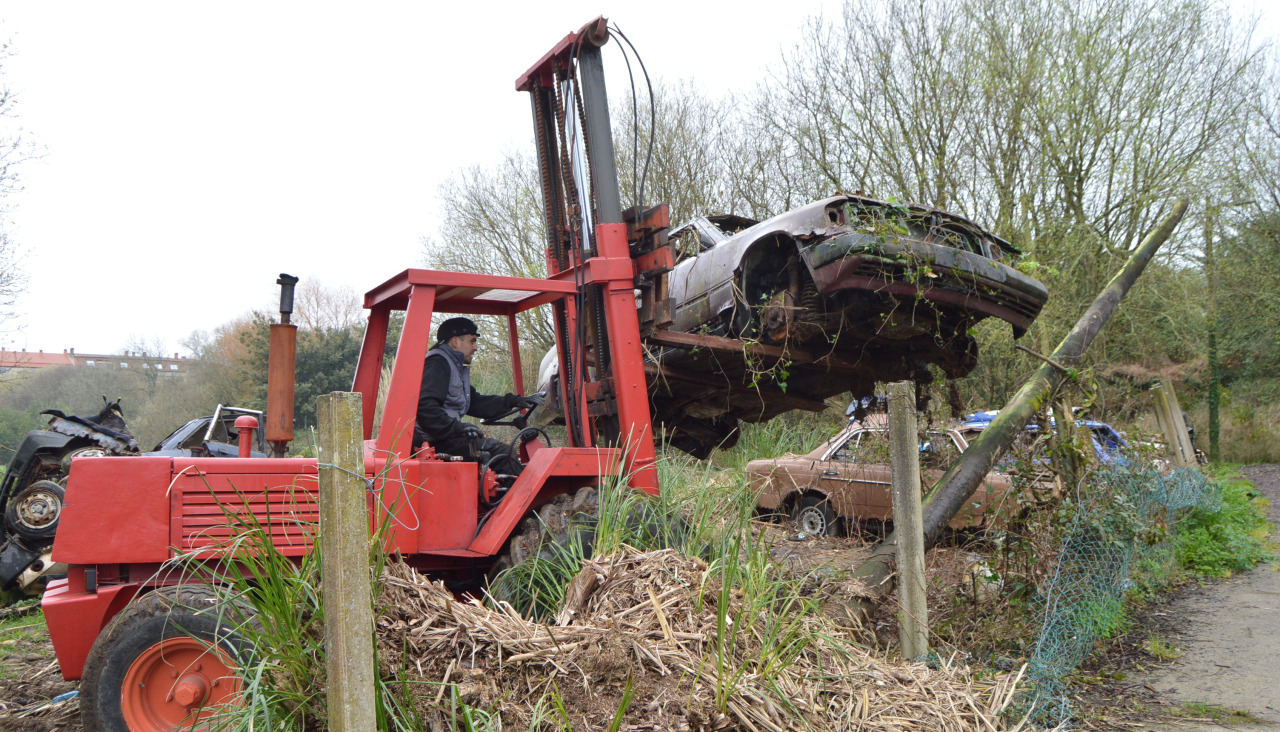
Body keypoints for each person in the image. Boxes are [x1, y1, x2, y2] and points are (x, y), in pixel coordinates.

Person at [415, 317, 542, 476]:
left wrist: (514, 401)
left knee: (497, 453)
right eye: (472, 341)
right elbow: (425, 408)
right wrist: (458, 428)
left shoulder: (452, 366)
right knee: (502, 454)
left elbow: (476, 403)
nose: (475, 347)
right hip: (433, 441)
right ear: (455, 341)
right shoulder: (438, 363)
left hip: (442, 437)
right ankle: (528, 500)